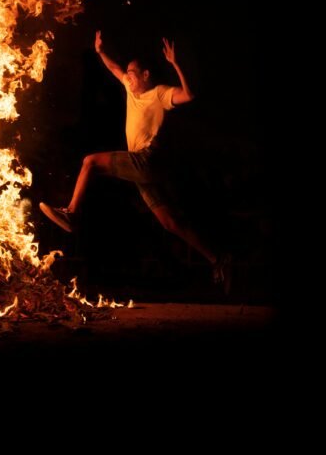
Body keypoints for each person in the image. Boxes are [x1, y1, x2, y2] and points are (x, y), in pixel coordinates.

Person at [40, 31, 231, 285]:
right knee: (170, 222)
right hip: (144, 168)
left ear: (145, 75)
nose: (127, 76)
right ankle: (217, 259)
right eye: (127, 73)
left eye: (132, 72)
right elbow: (114, 67)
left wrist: (175, 64)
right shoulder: (131, 89)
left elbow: (189, 95)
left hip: (146, 160)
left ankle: (71, 213)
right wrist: (100, 51)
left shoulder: (160, 94)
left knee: (90, 162)